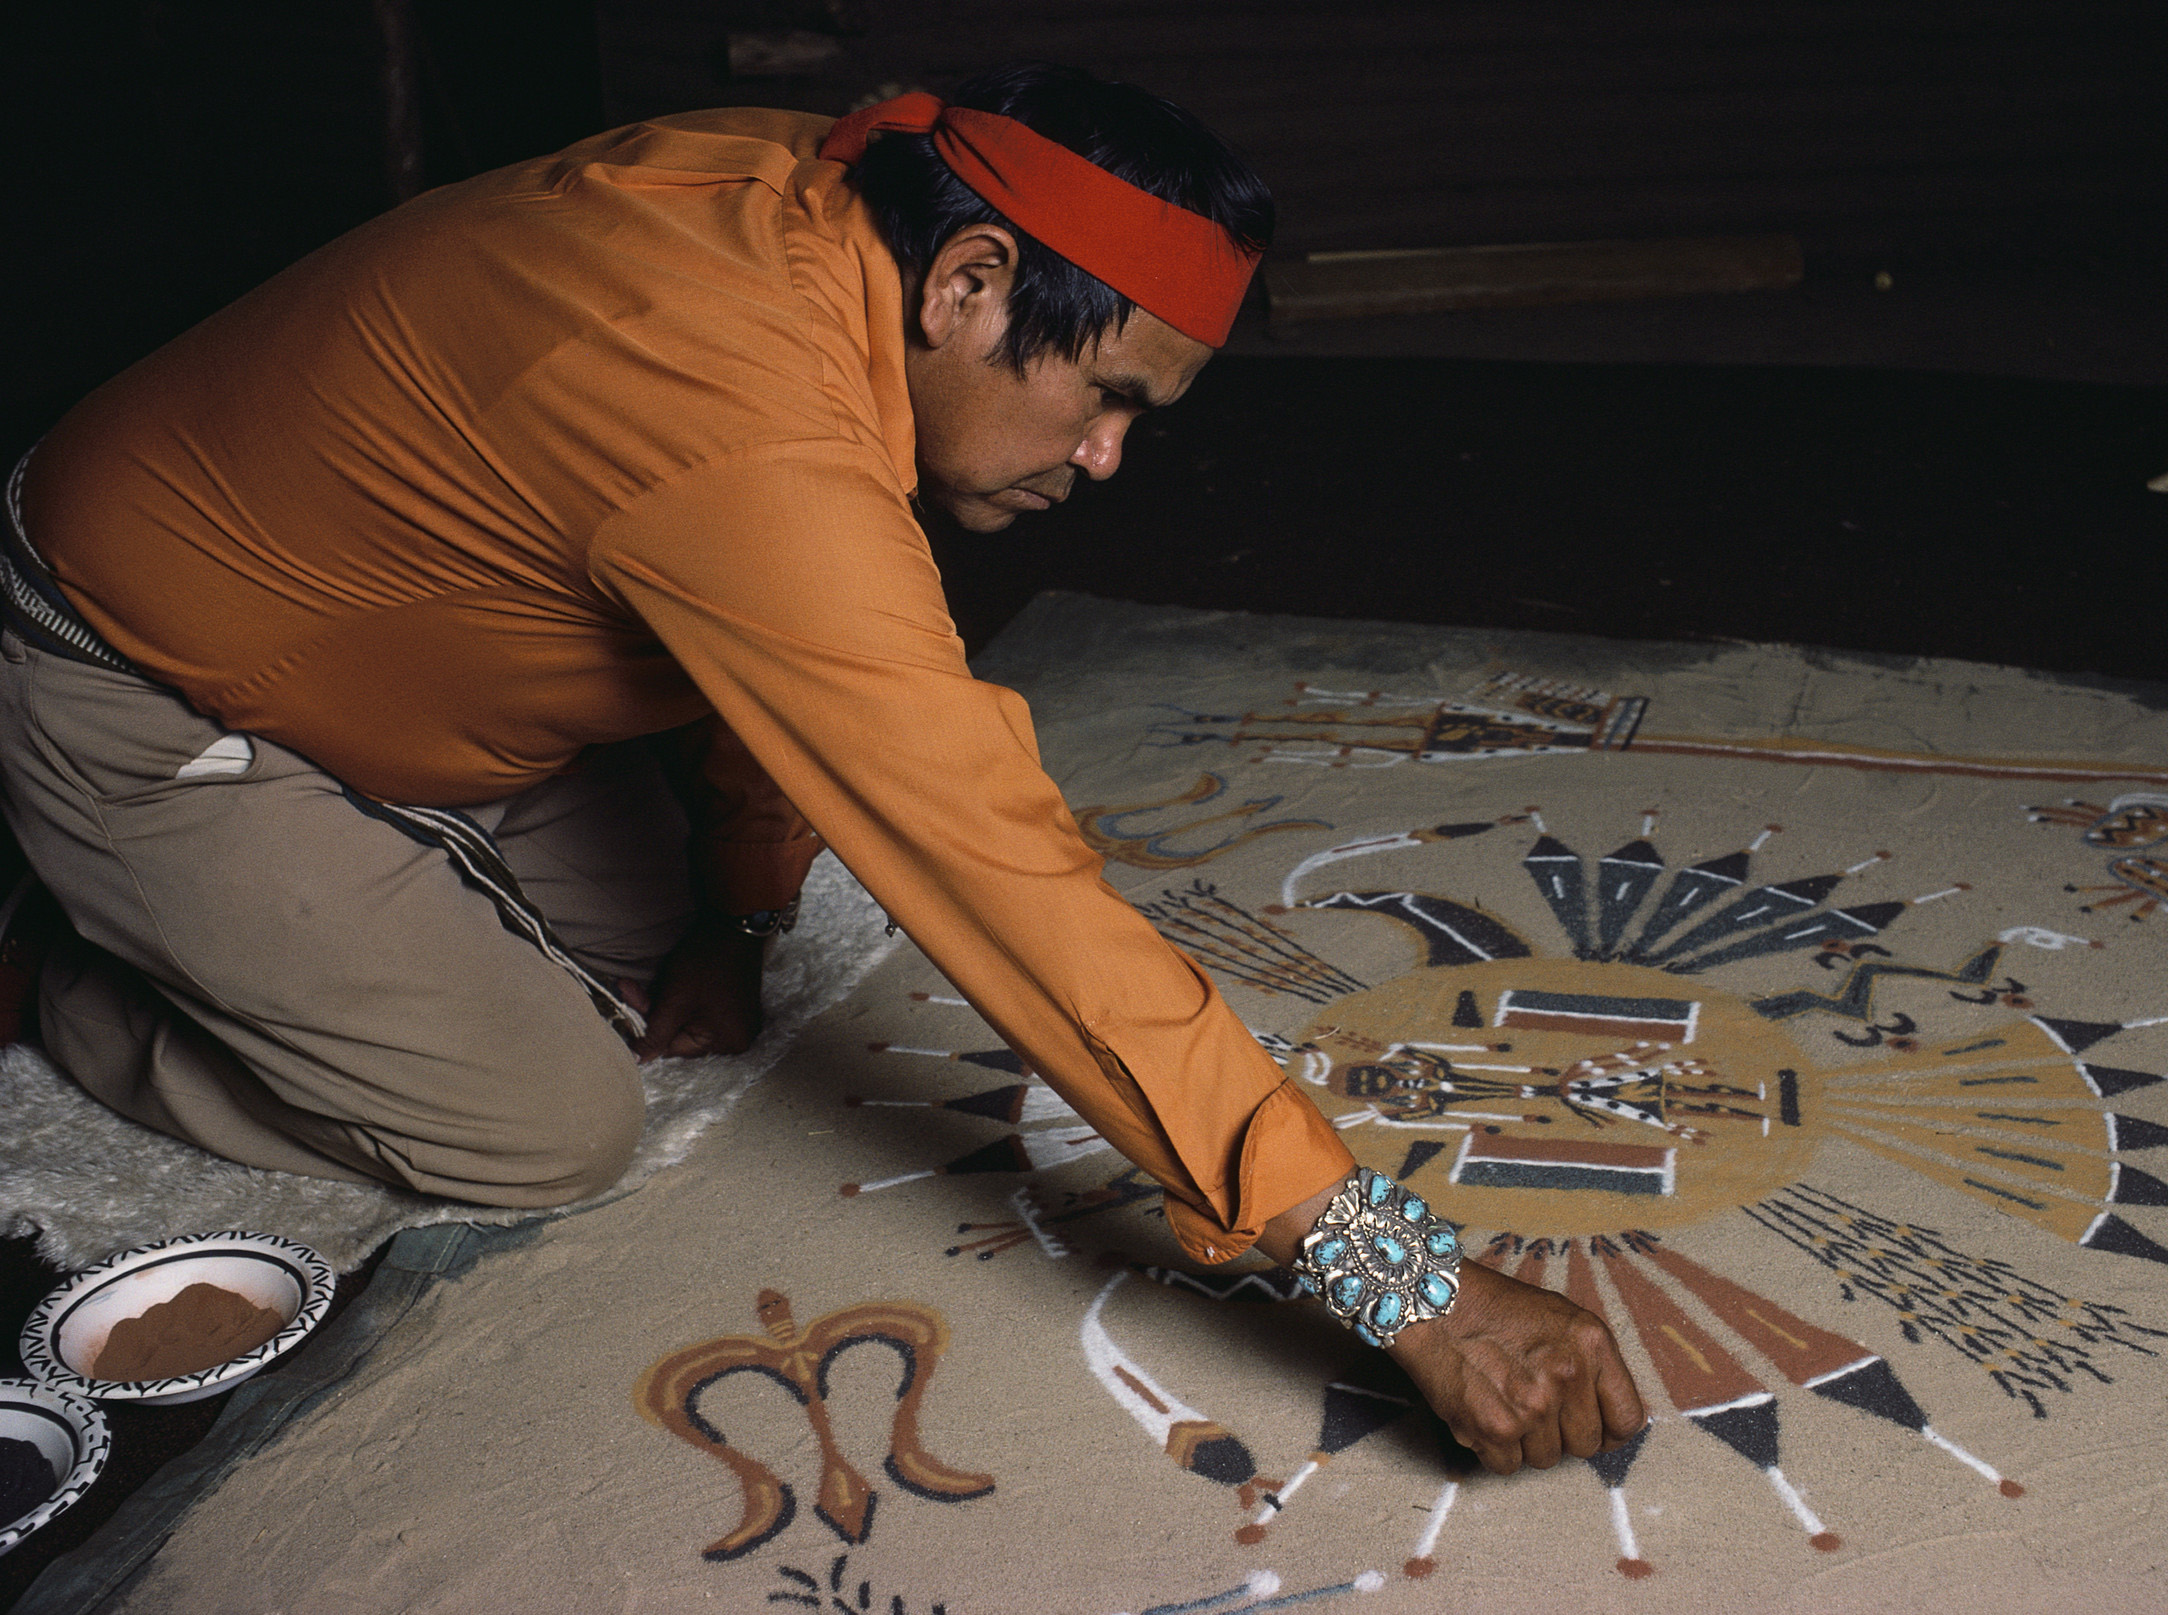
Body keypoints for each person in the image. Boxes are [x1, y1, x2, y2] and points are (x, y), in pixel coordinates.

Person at [0, 62, 1643, 1473]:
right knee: (541, 1128)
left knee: (673, 968)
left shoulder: (840, 196)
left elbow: (758, 633)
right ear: (972, 283)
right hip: (145, 683)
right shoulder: (740, 408)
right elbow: (998, 875)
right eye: (1107, 401)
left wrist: (738, 907)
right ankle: (60, 989)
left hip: (423, 680)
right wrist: (1395, 1274)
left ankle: (352, 903)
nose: (1107, 460)